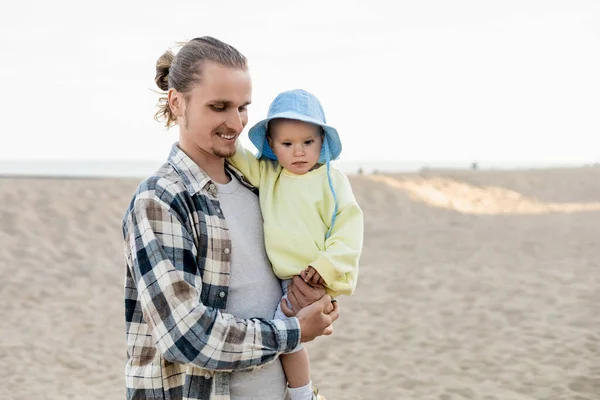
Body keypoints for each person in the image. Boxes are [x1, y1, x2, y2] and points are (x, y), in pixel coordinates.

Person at [121, 36, 339, 400]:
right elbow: (185, 335)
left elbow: (288, 275)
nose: (235, 123)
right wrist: (293, 332)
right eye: (219, 106)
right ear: (178, 102)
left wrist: (314, 295)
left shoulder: (259, 188)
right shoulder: (160, 199)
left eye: (242, 107)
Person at [228, 89, 363, 399]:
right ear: (273, 146)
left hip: (313, 276)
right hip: (284, 279)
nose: (298, 152)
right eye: (287, 144)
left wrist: (325, 266)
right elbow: (237, 155)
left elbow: (349, 228)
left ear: (322, 142)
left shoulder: (332, 180)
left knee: (287, 334)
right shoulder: (270, 174)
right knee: (287, 334)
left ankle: (303, 394)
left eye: (308, 142)